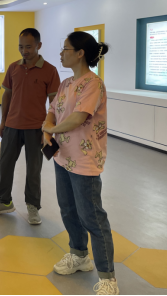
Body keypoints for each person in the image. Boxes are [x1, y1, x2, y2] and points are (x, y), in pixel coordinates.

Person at [42, 32, 119, 296]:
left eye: (65, 49)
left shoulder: (93, 84)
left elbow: (77, 119)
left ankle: (108, 277)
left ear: (80, 53)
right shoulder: (66, 83)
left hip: (85, 161)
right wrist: (48, 126)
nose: (61, 54)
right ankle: (78, 255)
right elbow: (52, 109)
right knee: (68, 210)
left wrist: (50, 130)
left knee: (92, 217)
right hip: (62, 157)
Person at [0, 28, 60, 225]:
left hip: (36, 128)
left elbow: (54, 103)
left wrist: (49, 129)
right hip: (12, 126)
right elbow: (7, 95)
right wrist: (3, 121)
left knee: (33, 169)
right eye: (21, 47)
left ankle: (33, 206)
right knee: (5, 164)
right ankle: (4, 201)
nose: (24, 51)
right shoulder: (13, 68)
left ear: (38, 46)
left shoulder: (50, 70)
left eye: (28, 47)